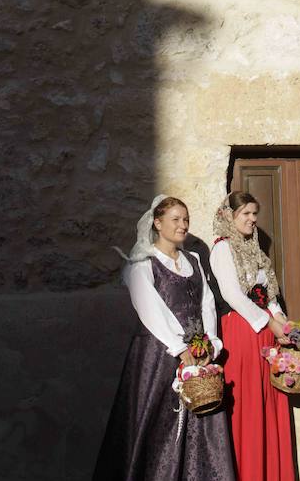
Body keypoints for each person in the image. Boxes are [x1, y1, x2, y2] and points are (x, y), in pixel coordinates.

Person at [92, 194, 236, 481]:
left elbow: (206, 303)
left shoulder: (194, 260)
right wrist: (179, 347)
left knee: (202, 417)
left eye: (186, 220)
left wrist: (211, 343)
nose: (183, 225)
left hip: (198, 354)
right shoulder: (143, 263)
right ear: (157, 223)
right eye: (176, 219)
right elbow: (150, 308)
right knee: (158, 424)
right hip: (159, 356)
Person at [210, 192, 295, 481]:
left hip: (265, 333)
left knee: (267, 400)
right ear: (229, 216)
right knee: (248, 404)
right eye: (245, 213)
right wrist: (268, 322)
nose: (252, 219)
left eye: (254, 213)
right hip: (243, 331)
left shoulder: (255, 250)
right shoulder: (223, 249)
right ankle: (248, 472)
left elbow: (267, 292)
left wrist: (280, 319)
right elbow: (232, 295)